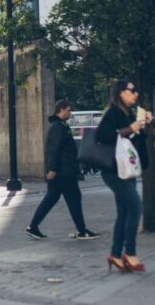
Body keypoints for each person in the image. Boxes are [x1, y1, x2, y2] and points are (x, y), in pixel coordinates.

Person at [26, 100, 100, 240]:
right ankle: (82, 230)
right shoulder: (58, 127)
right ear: (61, 110)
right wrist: (52, 169)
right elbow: (53, 150)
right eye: (68, 110)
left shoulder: (60, 126)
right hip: (63, 172)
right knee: (74, 199)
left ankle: (33, 226)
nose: (70, 113)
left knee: (53, 198)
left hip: (62, 171)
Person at [95, 80, 149, 273]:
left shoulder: (129, 113)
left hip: (126, 169)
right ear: (120, 93)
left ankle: (116, 255)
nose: (136, 94)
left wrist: (141, 125)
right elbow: (102, 136)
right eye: (132, 90)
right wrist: (131, 128)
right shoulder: (114, 112)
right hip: (114, 170)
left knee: (124, 212)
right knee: (136, 207)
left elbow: (135, 140)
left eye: (136, 91)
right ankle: (130, 253)